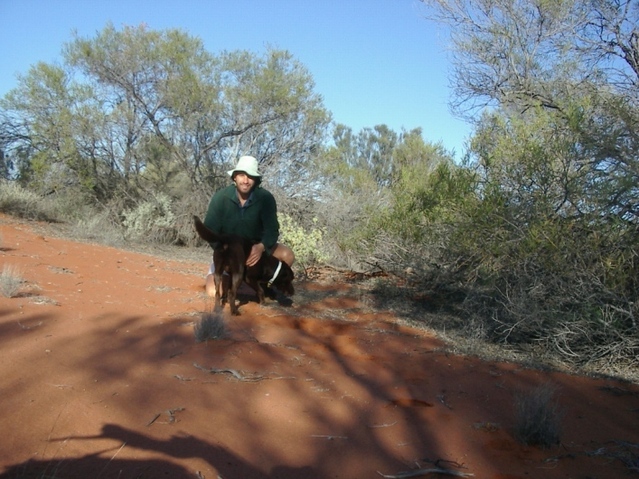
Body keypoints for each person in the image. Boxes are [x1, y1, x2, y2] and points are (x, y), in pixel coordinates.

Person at [203, 155, 295, 297]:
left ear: (256, 180)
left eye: (250, 176)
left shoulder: (266, 198)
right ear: (234, 177)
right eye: (241, 175)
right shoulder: (221, 197)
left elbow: (272, 230)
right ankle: (245, 286)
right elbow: (209, 229)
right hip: (229, 253)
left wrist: (261, 246)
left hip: (256, 252)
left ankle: (261, 283)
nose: (245, 181)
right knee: (212, 291)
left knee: (287, 254)